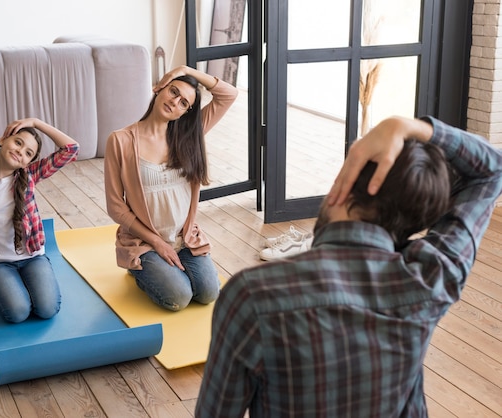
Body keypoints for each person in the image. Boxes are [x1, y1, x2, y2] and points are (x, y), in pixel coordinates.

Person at [195, 115, 502, 417]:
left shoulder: (252, 295)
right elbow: (492, 171)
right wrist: (413, 127)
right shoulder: (431, 276)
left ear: (347, 180)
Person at [104, 65, 238, 311]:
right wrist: (156, 242)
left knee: (209, 292)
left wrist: (188, 70)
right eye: (173, 92)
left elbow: (228, 94)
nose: (175, 102)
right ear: (160, 89)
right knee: (179, 297)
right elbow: (115, 207)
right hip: (144, 241)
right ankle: (140, 269)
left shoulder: (189, 135)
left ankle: (166, 269)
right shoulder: (120, 140)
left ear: (185, 112)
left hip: (184, 238)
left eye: (184, 103)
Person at [0, 118, 80, 323]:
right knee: (17, 313)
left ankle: (20, 285)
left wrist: (36, 123)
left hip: (32, 257)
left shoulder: (29, 175)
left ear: (29, 162)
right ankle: (4, 287)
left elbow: (71, 148)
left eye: (29, 153)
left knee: (47, 309)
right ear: (3, 140)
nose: (21, 151)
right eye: (18, 142)